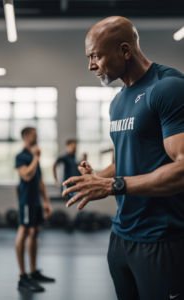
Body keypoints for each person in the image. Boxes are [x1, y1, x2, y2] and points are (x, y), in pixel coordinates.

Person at [62, 16, 184, 300]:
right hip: (121, 237)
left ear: (125, 51)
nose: (91, 65)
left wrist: (112, 186)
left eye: (96, 56)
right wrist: (97, 179)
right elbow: (122, 165)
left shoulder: (169, 88)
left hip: (161, 239)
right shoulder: (118, 101)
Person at [15, 127, 55, 292]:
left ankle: (32, 272)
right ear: (25, 137)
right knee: (24, 232)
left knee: (35, 233)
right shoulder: (21, 156)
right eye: (34, 135)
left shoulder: (33, 157)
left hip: (36, 202)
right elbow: (26, 175)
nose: (36, 138)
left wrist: (46, 201)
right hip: (25, 202)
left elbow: (39, 181)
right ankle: (23, 277)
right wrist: (37, 157)